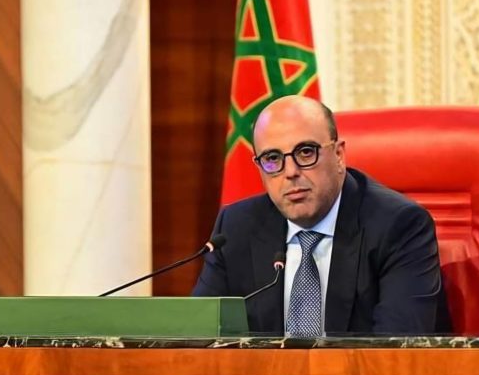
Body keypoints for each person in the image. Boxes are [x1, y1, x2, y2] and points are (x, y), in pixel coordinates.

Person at [192, 95, 451, 336]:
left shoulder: (399, 226)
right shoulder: (236, 228)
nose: (290, 172)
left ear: (338, 155)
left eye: (306, 152)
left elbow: (397, 350)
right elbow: (196, 337)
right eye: (272, 158)